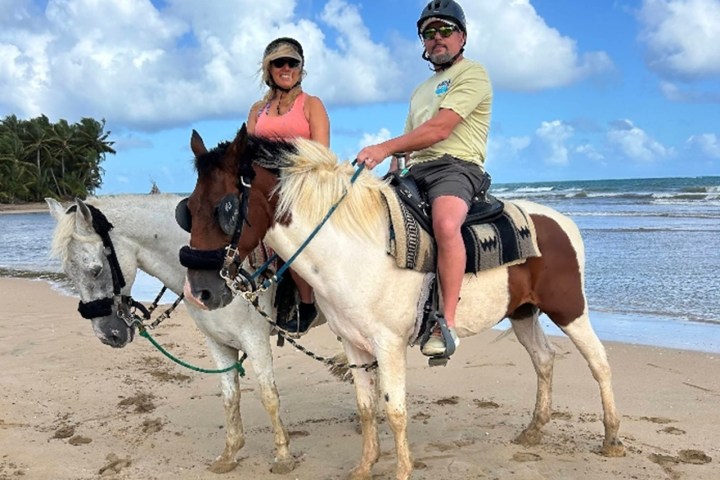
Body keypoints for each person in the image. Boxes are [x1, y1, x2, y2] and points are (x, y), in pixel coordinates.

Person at [356, 0, 492, 357]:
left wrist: (383, 147)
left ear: (462, 37)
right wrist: (393, 169)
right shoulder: (420, 90)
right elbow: (409, 140)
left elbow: (439, 129)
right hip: (417, 171)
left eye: (445, 30)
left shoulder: (472, 73)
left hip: (457, 166)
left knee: (446, 225)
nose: (436, 39)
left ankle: (445, 322)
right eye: (429, 33)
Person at [247, 37, 330, 336]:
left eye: (292, 63)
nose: (286, 68)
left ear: (300, 68)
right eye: (278, 63)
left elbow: (321, 154)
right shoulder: (258, 109)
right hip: (264, 188)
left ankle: (306, 302)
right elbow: (248, 151)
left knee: (290, 233)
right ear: (268, 69)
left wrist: (280, 164)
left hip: (302, 185)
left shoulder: (311, 105)